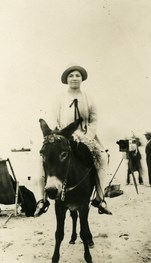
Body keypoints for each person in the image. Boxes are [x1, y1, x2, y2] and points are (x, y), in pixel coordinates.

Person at [37, 65, 112, 216]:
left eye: (78, 75)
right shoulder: (59, 98)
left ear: (81, 79)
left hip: (86, 136)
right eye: (71, 76)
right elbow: (53, 119)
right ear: (66, 80)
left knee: (103, 157)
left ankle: (100, 198)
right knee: (42, 159)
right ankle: (42, 199)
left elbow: (94, 119)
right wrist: (58, 135)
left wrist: (87, 137)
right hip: (63, 136)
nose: (74, 78)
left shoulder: (89, 98)